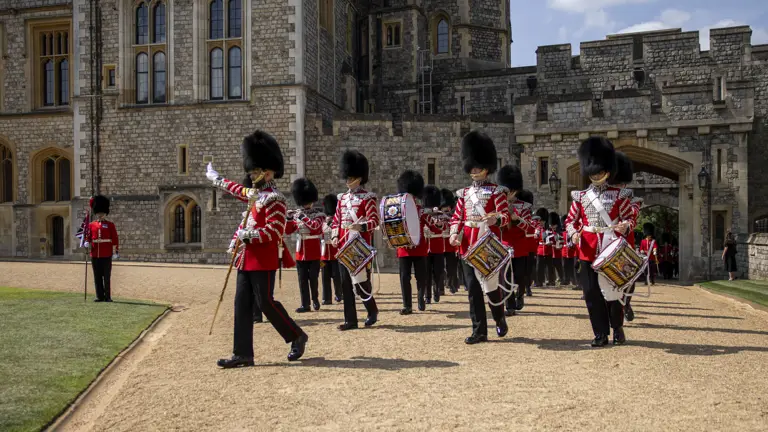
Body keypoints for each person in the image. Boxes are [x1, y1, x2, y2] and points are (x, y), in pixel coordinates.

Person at [208, 130, 308, 367]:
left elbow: (275, 231)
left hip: (263, 257)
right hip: (246, 257)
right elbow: (236, 189)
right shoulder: (255, 194)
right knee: (241, 302)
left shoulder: (276, 199)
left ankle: (297, 336)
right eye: (251, 171)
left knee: (265, 302)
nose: (252, 175)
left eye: (255, 171)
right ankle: (242, 353)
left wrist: (249, 235)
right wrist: (215, 178)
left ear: (268, 172)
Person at [565, 136, 635, 347]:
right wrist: (573, 234)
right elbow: (570, 221)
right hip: (587, 247)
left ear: (607, 170)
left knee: (612, 292)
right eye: (593, 171)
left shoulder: (619, 195)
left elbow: (629, 217)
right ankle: (600, 333)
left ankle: (617, 326)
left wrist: (626, 225)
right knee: (591, 293)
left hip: (610, 246)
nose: (596, 175)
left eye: (599, 170)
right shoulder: (581, 196)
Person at [449, 130, 510, 344]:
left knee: (490, 288)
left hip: (485, 244)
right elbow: (457, 216)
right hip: (466, 244)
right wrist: (454, 233)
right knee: (473, 289)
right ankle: (479, 331)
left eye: (478, 165)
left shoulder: (497, 191)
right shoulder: (464, 194)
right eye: (472, 166)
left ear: (486, 167)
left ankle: (499, 317)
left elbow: (505, 216)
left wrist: (497, 220)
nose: (474, 169)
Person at [330, 150, 380, 330]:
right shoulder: (342, 198)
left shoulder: (368, 198)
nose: (348, 180)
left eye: (351, 177)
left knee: (359, 283)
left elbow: (374, 221)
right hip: (343, 244)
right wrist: (335, 234)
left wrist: (361, 226)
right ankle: (350, 320)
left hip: (358, 244)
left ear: (359, 178)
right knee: (345, 284)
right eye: (347, 177)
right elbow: (337, 220)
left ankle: (372, 310)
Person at [390, 170, 441, 313]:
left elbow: (434, 226)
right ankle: (407, 305)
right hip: (404, 248)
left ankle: (420, 298)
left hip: (419, 248)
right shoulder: (397, 210)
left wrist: (439, 222)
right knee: (404, 277)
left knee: (421, 277)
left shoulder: (421, 211)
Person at [608, 151, 641, 321]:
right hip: (605, 244)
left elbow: (634, 214)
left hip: (625, 243)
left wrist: (627, 224)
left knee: (628, 278)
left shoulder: (631, 199)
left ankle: (626, 303)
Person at [497, 164, 533, 315]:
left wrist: (516, 219)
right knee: (505, 277)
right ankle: (509, 305)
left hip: (519, 246)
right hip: (503, 245)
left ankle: (520, 295)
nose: (510, 193)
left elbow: (530, 228)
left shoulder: (524, 207)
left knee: (520, 276)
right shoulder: (498, 205)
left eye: (512, 191)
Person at [285, 178, 324, 313]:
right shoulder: (297, 215)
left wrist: (302, 217)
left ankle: (315, 299)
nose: (306, 204)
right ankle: (305, 304)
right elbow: (288, 231)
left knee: (313, 279)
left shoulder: (319, 214)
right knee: (302, 280)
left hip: (314, 252)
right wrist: (289, 218)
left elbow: (315, 227)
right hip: (301, 252)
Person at [84, 195, 119, 302]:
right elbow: (89, 235)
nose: (100, 215)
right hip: (95, 254)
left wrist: (115, 251)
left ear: (105, 213)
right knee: (97, 276)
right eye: (99, 213)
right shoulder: (91, 225)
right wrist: (86, 241)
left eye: (102, 213)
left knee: (106, 277)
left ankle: (108, 296)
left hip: (106, 253)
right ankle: (99, 296)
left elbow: (114, 239)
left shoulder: (110, 225)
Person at [423, 185, 450, 303]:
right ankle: (427, 296)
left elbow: (445, 226)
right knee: (427, 273)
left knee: (438, 272)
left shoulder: (440, 214)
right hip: (425, 247)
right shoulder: (423, 214)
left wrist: (439, 225)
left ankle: (437, 290)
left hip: (438, 247)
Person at [321, 194, 343, 304]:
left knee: (336, 276)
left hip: (335, 253)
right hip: (324, 253)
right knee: (325, 277)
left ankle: (339, 294)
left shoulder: (337, 220)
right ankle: (326, 298)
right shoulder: (322, 221)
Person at [440, 188, 461, 294]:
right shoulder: (438, 216)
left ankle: (452, 283)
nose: (446, 208)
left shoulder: (453, 215)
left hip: (450, 244)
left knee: (451, 266)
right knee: (439, 267)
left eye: (447, 206)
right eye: (444, 207)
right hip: (439, 243)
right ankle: (440, 287)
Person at [518, 189, 537, 296]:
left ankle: (528, 287)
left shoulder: (532, 220)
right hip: (520, 245)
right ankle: (521, 287)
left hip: (529, 247)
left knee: (528, 269)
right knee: (521, 270)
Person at [534, 208, 552, 287]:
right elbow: (535, 240)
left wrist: (551, 242)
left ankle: (551, 280)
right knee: (539, 267)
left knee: (549, 267)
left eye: (542, 221)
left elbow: (554, 238)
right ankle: (539, 281)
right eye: (540, 221)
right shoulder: (537, 229)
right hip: (540, 250)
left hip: (548, 250)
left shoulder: (549, 229)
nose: (541, 222)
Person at [560, 214, 578, 289]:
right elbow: (560, 242)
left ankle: (573, 280)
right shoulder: (562, 233)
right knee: (564, 267)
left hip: (571, 252)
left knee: (572, 267)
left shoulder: (572, 233)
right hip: (564, 252)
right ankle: (566, 279)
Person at [550, 212, 564, 286]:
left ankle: (562, 279)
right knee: (551, 268)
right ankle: (552, 281)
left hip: (558, 253)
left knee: (559, 268)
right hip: (551, 252)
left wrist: (558, 246)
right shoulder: (548, 232)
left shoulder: (560, 233)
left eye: (554, 225)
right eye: (552, 225)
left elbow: (561, 242)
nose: (553, 227)